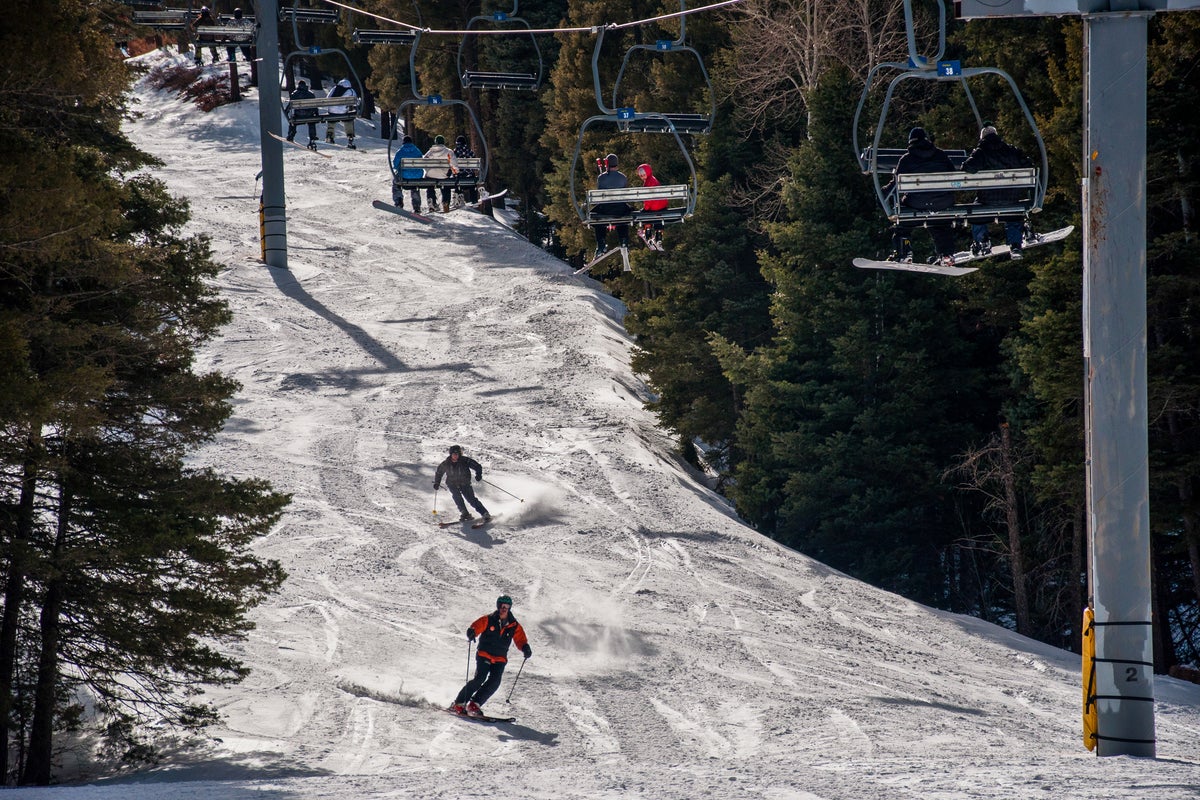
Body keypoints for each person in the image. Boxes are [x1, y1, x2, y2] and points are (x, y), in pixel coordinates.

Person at [883, 127, 958, 266]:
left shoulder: (907, 159)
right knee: (941, 223)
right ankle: (946, 254)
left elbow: (896, 183)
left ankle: (904, 251)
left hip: (917, 202)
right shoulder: (941, 155)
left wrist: (883, 194)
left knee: (902, 221)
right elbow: (953, 176)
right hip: (943, 201)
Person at [450, 595, 532, 717]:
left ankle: (475, 704)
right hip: (484, 654)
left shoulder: (514, 625)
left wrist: (525, 647)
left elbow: (520, 639)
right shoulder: (489, 619)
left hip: (500, 658)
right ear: (498, 606)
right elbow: (477, 626)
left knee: (495, 682)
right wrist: (472, 632)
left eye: (507, 607)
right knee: (480, 678)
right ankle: (459, 703)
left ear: (510, 608)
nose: (504, 609)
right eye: (502, 606)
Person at [961, 123, 1033, 260]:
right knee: (1014, 212)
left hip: (986, 198)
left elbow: (967, 168)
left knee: (976, 213)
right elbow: (1028, 165)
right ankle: (1015, 245)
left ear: (982, 137)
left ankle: (982, 241)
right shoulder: (1011, 150)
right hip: (1012, 197)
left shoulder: (981, 152)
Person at [434, 445, 490, 522]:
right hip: (452, 483)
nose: (455, 456)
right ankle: (464, 513)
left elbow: (477, 466)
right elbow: (439, 473)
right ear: (451, 454)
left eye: (457, 454)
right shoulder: (446, 463)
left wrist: (478, 475)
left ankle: (484, 513)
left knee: (471, 499)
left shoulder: (465, 461)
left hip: (465, 483)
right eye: (454, 454)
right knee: (457, 497)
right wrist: (437, 483)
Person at [592, 153, 631, 260]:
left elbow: (600, 195)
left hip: (606, 209)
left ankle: (601, 244)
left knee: (595, 218)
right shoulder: (623, 177)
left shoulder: (602, 178)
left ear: (607, 164)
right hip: (620, 209)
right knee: (623, 218)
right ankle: (624, 241)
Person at [423, 135, 459, 213]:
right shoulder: (448, 151)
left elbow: (424, 162)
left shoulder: (430, 152)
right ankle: (445, 202)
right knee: (446, 186)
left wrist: (428, 171)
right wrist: (455, 173)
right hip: (443, 175)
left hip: (431, 175)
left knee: (430, 185)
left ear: (435, 142)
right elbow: (453, 164)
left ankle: (431, 200)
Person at [635, 162, 666, 250]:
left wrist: (646, 208)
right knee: (658, 217)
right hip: (662, 206)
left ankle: (648, 235)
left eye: (643, 175)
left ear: (647, 173)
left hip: (654, 207)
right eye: (641, 175)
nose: (642, 177)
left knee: (645, 215)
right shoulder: (654, 179)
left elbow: (648, 200)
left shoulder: (648, 183)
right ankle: (658, 237)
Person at [391, 135, 425, 211]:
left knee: (396, 183)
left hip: (404, 176)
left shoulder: (400, 151)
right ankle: (416, 205)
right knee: (414, 186)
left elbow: (395, 164)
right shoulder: (417, 151)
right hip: (417, 176)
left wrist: (399, 169)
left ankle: (398, 201)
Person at [284, 80, 319, 150]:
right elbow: (315, 106)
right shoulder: (311, 94)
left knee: (292, 121)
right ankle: (312, 137)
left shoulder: (294, 94)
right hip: (309, 115)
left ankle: (291, 134)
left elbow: (290, 105)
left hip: (298, 115)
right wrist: (316, 113)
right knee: (312, 122)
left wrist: (286, 112)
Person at [325, 78, 357, 149]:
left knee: (331, 120)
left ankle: (330, 135)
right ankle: (350, 137)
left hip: (332, 111)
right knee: (348, 119)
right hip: (343, 112)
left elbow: (327, 98)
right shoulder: (351, 90)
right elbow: (355, 101)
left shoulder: (334, 88)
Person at [452, 135, 479, 206]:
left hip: (458, 177)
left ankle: (458, 195)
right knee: (472, 184)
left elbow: (451, 164)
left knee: (456, 177)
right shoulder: (470, 151)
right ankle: (474, 200)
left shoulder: (454, 152)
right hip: (469, 177)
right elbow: (475, 166)